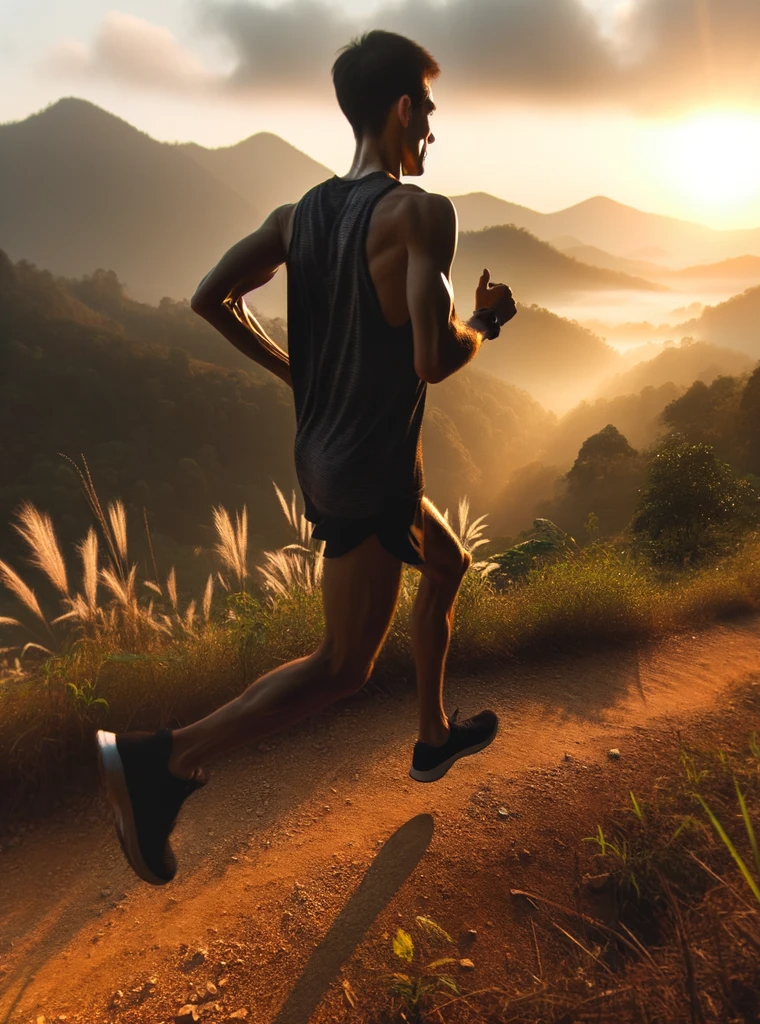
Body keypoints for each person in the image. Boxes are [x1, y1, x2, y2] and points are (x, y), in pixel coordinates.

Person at [96, 29, 517, 886]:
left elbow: (210, 298)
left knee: (450, 560)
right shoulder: (420, 214)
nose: (433, 130)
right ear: (403, 109)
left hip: (327, 455)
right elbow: (435, 358)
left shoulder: (300, 217)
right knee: (340, 668)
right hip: (370, 469)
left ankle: (434, 734)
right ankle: (162, 763)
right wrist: (490, 324)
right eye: (429, 112)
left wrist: (298, 367)